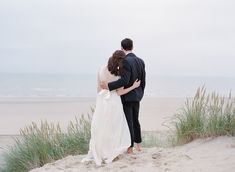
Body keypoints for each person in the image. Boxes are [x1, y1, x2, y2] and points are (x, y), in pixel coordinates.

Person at [82, 50, 141, 166]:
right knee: (114, 127)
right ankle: (111, 151)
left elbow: (98, 89)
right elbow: (120, 92)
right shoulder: (118, 74)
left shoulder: (101, 69)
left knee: (101, 126)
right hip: (114, 101)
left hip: (101, 100)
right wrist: (134, 86)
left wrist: (102, 98)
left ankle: (101, 151)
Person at [100, 38, 146, 154]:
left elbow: (124, 80)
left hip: (127, 96)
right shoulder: (141, 61)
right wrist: (140, 93)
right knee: (136, 120)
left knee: (129, 121)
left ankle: (130, 147)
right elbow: (143, 81)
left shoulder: (125, 61)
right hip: (137, 95)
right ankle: (138, 145)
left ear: (122, 48)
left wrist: (108, 86)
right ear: (132, 47)